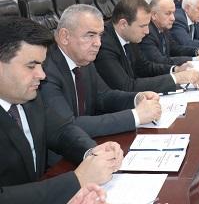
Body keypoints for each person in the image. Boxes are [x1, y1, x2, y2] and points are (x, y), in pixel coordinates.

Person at [0, 17, 123, 203]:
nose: (42, 75)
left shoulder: (28, 96)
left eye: (41, 65)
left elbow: (59, 130)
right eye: (31, 66)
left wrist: (93, 153)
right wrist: (77, 180)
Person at [42, 4, 162, 139]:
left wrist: (136, 98)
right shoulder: (46, 70)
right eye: (90, 35)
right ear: (65, 36)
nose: (98, 43)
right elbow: (69, 126)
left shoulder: (83, 59)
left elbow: (103, 96)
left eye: (100, 35)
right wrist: (136, 116)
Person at [95, 0, 199, 93]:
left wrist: (175, 70)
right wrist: (177, 78)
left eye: (147, 25)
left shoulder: (130, 35)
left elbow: (144, 67)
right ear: (123, 24)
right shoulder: (104, 45)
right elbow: (127, 86)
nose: (147, 31)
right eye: (142, 26)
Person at [140, 0, 199, 65]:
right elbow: (160, 61)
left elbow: (175, 48)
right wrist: (195, 59)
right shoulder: (147, 33)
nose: (173, 18)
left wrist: (197, 51)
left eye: (173, 13)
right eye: (168, 13)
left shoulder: (163, 28)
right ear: (154, 15)